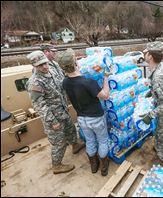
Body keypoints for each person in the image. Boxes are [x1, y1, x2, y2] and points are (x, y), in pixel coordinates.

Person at [26, 51, 85, 175]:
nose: (44, 67)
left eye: (45, 63)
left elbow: (63, 82)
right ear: (34, 66)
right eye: (40, 65)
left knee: (70, 129)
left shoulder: (52, 72)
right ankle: (57, 165)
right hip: (53, 117)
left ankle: (75, 145)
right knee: (59, 142)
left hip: (63, 110)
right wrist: (52, 122)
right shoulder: (35, 83)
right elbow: (40, 106)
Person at [58, 48, 111, 176]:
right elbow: (105, 95)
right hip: (96, 118)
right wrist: (105, 78)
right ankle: (104, 167)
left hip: (82, 119)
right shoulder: (88, 82)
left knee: (90, 141)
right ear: (75, 63)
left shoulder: (65, 82)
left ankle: (93, 165)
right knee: (103, 140)